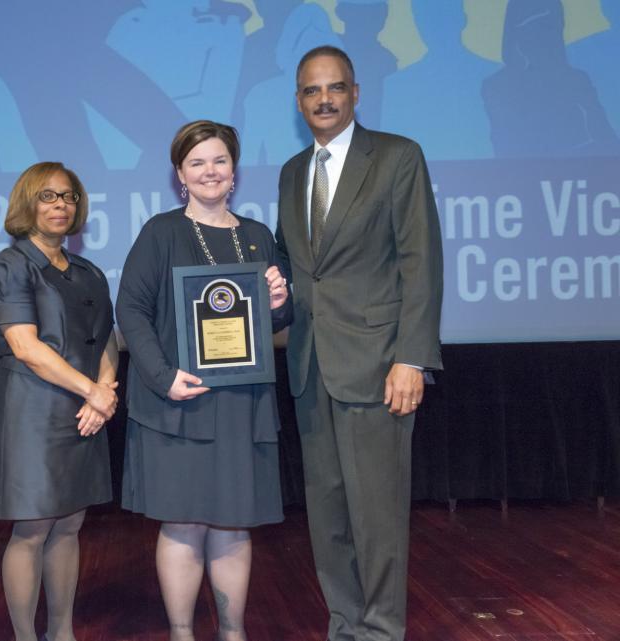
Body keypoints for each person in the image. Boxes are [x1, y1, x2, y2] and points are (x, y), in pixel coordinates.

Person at [275, 46, 443, 641]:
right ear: (297, 100)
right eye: (311, 90)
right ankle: (344, 625)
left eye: (335, 88)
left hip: (378, 367)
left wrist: (411, 358)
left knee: (377, 517)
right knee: (328, 516)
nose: (323, 99)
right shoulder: (293, 171)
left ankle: (380, 630)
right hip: (310, 368)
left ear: (355, 93)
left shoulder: (397, 157)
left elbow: (420, 264)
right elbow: (295, 268)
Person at [116, 120, 292, 641]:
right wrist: (162, 376)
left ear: (233, 170)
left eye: (218, 160)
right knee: (184, 523)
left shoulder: (258, 237)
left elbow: (276, 323)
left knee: (234, 523)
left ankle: (233, 632)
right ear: (180, 175)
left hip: (243, 405)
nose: (209, 171)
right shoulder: (161, 232)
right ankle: (181, 633)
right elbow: (131, 309)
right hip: (180, 401)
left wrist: (281, 303)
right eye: (197, 163)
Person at [0, 162, 119, 641]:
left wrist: (104, 391)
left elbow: (105, 338)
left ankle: (62, 632)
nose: (60, 205)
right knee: (34, 528)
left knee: (70, 524)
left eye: (68, 197)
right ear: (27, 204)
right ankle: (25, 637)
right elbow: (25, 346)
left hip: (84, 410)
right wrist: (92, 392)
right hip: (33, 407)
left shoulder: (88, 271)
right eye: (47, 196)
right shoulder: (11, 263)